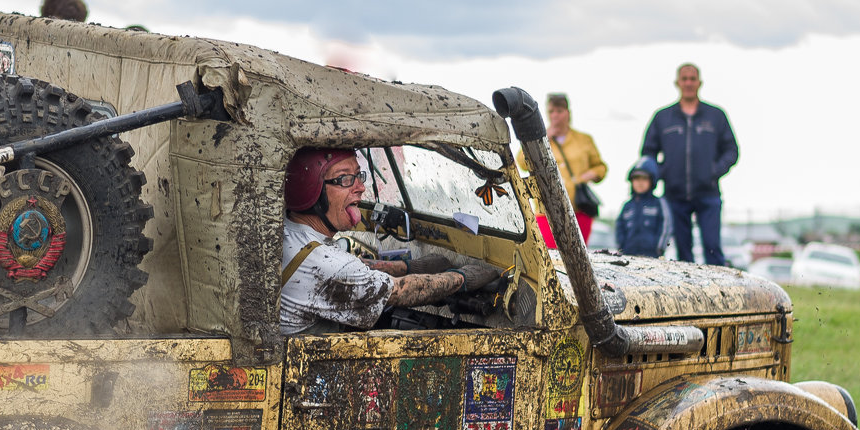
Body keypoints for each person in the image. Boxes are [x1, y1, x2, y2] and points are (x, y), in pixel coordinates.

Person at [281, 147, 500, 335]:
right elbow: (400, 292)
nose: (360, 187)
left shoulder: (287, 231)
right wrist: (461, 278)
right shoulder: (330, 266)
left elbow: (351, 273)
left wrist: (406, 267)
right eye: (345, 179)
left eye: (359, 176)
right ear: (311, 189)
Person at [640, 63, 738, 265]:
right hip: (674, 196)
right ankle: (692, 294)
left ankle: (718, 292)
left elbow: (731, 150)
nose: (688, 83)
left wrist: (713, 171)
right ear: (677, 83)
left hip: (708, 194)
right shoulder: (663, 117)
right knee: (684, 252)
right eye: (684, 79)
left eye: (692, 79)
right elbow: (647, 154)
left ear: (699, 82)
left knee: (712, 246)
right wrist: (663, 172)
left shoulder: (716, 116)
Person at [516, 93, 607, 246]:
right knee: (550, 254)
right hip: (547, 208)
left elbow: (601, 167)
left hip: (578, 208)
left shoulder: (584, 139)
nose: (555, 115)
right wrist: (542, 139)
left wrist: (590, 175)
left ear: (568, 113)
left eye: (559, 111)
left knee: (578, 254)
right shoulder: (539, 137)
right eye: (551, 111)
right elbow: (522, 163)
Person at [615, 156, 672, 257]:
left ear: (652, 181)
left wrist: (659, 249)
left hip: (652, 255)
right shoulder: (627, 206)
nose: (640, 183)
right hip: (629, 255)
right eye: (636, 179)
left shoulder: (658, 203)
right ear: (631, 181)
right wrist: (622, 248)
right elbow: (619, 227)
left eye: (644, 179)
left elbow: (666, 226)